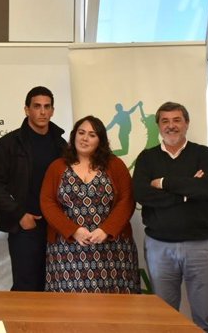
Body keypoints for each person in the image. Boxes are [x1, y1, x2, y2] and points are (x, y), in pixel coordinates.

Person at [132, 102, 208, 333]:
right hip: (159, 247)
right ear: (158, 126)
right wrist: (185, 192)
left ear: (186, 123)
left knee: (206, 319)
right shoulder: (147, 159)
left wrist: (163, 183)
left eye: (177, 120)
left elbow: (204, 190)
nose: (171, 126)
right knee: (163, 322)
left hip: (200, 246)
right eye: (165, 121)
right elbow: (141, 194)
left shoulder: (204, 155)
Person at [40, 115, 139, 293]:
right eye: (81, 133)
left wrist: (106, 230)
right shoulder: (57, 166)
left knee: (113, 306)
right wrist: (73, 231)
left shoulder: (115, 165)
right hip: (66, 248)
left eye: (92, 135)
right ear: (74, 135)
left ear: (100, 140)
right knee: (70, 308)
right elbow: (47, 203)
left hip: (112, 248)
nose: (85, 138)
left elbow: (127, 199)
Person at [0, 86, 67, 291]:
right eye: (37, 106)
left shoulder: (61, 143)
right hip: (25, 227)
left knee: (55, 285)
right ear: (26, 109)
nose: (42, 111)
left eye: (47, 107)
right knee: (26, 288)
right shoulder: (10, 143)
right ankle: (22, 325)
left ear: (53, 111)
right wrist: (19, 214)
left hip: (57, 228)